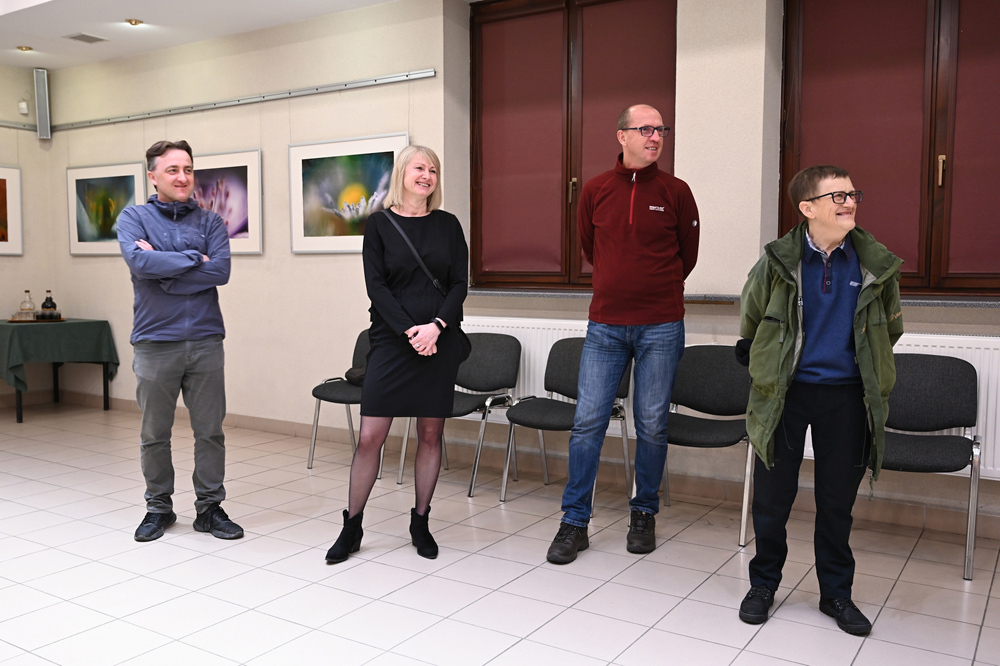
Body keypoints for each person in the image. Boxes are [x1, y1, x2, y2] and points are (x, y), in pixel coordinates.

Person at [737, 165, 903, 635]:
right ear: (807, 208)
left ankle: (836, 593)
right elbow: (752, 321)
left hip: (847, 397)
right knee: (773, 498)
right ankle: (763, 584)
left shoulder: (875, 264)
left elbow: (890, 330)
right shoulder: (776, 262)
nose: (849, 202)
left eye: (852, 194)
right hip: (785, 395)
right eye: (838, 196)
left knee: (836, 502)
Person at [546, 104, 700, 564]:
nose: (655, 136)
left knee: (651, 423)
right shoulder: (595, 191)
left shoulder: (676, 192)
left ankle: (643, 513)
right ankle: (575, 521)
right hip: (606, 326)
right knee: (587, 422)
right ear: (622, 136)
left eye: (661, 129)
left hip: (661, 325)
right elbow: (590, 248)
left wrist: (652, 287)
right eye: (646, 128)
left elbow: (687, 255)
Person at [325, 145, 469, 564]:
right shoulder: (379, 224)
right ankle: (352, 526)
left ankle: (420, 522)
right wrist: (410, 331)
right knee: (371, 437)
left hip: (439, 340)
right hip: (392, 341)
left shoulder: (448, 224)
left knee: (430, 435)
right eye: (420, 167)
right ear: (403, 173)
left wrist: (435, 327)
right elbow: (377, 287)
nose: (427, 175)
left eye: (433, 170)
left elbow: (459, 283)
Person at [118, 140, 243, 543]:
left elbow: (220, 272)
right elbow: (140, 262)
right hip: (155, 341)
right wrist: (193, 259)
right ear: (153, 176)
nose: (182, 177)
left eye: (188, 169)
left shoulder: (210, 222)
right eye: (172, 169)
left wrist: (165, 273)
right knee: (155, 434)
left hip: (206, 341)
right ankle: (159, 508)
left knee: (210, 432)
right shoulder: (134, 217)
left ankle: (209, 509)